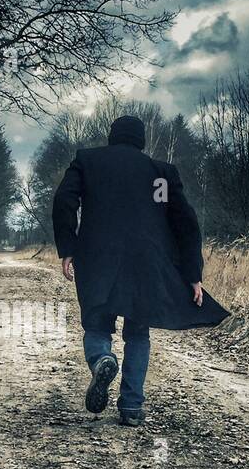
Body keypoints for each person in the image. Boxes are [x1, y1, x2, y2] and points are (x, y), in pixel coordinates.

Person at [52, 113, 229, 425]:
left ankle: (102, 360)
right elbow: (185, 224)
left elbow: (64, 201)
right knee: (138, 331)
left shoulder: (88, 161)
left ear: (112, 137)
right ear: (141, 140)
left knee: (96, 325)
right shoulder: (160, 172)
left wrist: (68, 247)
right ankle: (131, 406)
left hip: (97, 258)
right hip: (146, 261)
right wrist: (192, 274)